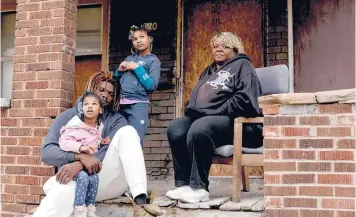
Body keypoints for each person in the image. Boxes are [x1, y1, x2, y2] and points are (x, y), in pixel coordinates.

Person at [33, 72, 150, 217]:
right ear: (91, 89)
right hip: (75, 179)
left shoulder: (117, 121)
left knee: (129, 132)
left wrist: (81, 164)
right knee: (59, 194)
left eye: (110, 93)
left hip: (104, 179)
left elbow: (106, 151)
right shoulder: (67, 117)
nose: (105, 95)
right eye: (101, 90)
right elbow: (47, 153)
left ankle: (141, 200)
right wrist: (78, 158)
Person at [165, 32, 263, 204]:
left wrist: (214, 111)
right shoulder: (210, 71)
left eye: (224, 46)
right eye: (215, 46)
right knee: (176, 128)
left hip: (242, 125)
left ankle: (199, 188)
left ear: (234, 49)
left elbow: (246, 100)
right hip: (213, 120)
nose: (219, 49)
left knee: (201, 127)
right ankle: (184, 184)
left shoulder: (243, 66)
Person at [58, 92, 110, 217]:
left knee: (94, 178)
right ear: (82, 108)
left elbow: (93, 140)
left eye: (94, 104)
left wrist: (101, 141)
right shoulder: (76, 125)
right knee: (82, 177)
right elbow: (63, 142)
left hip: (86, 166)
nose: (89, 106)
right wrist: (80, 147)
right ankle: (79, 209)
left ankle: (90, 207)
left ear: (101, 110)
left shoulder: (99, 127)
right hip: (70, 165)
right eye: (86, 104)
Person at [114, 25, 161, 146]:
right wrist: (118, 71)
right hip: (121, 104)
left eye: (142, 37)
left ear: (149, 39)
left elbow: (152, 86)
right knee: (117, 140)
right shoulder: (129, 58)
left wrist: (137, 68)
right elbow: (115, 80)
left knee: (134, 142)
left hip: (138, 105)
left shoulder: (153, 60)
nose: (138, 40)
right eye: (135, 39)